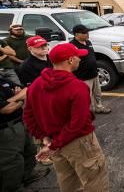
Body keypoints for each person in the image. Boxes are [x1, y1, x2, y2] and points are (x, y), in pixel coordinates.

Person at [23, 43, 109, 191]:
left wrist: (45, 139)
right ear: (70, 60)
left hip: (54, 140)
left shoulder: (36, 84)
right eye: (78, 57)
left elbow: (28, 115)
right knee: (94, 180)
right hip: (79, 143)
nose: (80, 60)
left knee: (68, 181)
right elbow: (78, 123)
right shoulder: (77, 87)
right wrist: (53, 144)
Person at [0, 78, 50, 191]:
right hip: (5, 129)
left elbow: (27, 90)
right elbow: (6, 109)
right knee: (12, 164)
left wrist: (13, 99)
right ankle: (14, 188)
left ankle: (27, 176)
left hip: (19, 122)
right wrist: (20, 99)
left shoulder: (2, 80)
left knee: (30, 151)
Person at [71, 25, 112, 113]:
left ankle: (99, 107)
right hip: (83, 77)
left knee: (98, 93)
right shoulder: (72, 46)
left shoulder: (88, 42)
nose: (87, 34)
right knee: (86, 96)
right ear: (77, 34)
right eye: (84, 33)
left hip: (94, 73)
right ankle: (87, 112)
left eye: (87, 32)